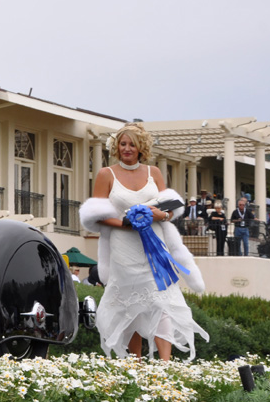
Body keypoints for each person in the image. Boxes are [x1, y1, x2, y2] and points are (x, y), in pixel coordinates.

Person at [79, 123, 207, 361]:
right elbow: (96, 215)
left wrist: (163, 215)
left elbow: (168, 209)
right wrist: (126, 223)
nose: (127, 149)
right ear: (117, 146)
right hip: (123, 247)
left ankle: (166, 365)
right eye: (123, 143)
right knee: (131, 301)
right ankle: (135, 362)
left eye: (132, 145)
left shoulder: (154, 173)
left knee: (161, 298)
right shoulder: (106, 174)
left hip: (154, 244)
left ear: (141, 148)